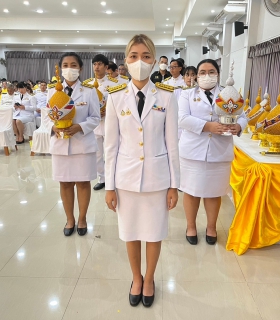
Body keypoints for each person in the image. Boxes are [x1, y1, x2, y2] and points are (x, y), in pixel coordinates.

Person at [105, 34, 179, 308]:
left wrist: (174, 185)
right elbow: (111, 146)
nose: (140, 61)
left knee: (154, 231)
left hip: (158, 178)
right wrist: (109, 186)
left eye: (146, 56)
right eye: (134, 56)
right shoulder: (115, 97)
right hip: (125, 178)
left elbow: (173, 144)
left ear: (154, 60)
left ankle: (150, 278)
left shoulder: (167, 97)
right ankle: (136, 277)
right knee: (131, 232)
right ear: (125, 61)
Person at [178, 59, 247, 245]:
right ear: (196, 75)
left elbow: (243, 115)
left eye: (211, 71)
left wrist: (238, 127)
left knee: (214, 193)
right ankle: (191, 226)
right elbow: (182, 118)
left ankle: (211, 227)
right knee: (191, 191)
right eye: (202, 72)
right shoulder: (187, 95)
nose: (206, 75)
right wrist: (209, 126)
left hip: (219, 151)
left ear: (217, 74)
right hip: (192, 151)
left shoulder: (228, 94)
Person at [48, 52, 100, 236]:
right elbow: (46, 117)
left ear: (80, 68)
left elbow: (96, 117)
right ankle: (69, 219)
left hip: (82, 144)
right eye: (65, 65)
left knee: (83, 183)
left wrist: (80, 127)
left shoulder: (89, 91)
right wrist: (53, 128)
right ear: (60, 68)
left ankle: (82, 218)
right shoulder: (52, 91)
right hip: (60, 145)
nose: (69, 69)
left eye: (73, 65)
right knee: (65, 184)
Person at [83, 54, 118, 191]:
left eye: (99, 64)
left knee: (111, 152)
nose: (96, 67)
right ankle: (102, 178)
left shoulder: (115, 84)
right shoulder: (87, 85)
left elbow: (119, 103)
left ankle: (113, 178)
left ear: (106, 67)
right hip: (94, 124)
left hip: (110, 123)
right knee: (97, 154)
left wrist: (107, 110)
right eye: (94, 64)